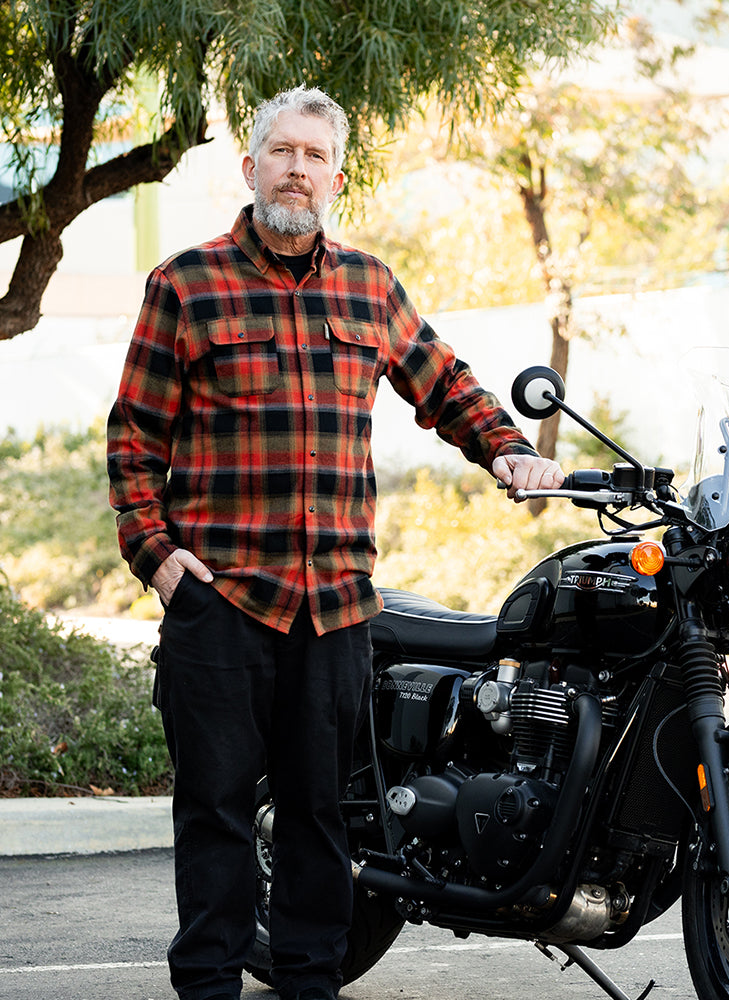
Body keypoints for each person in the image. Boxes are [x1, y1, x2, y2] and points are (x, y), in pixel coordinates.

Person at [107, 85, 563, 1000]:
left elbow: (444, 382)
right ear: (251, 167)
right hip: (222, 601)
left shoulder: (370, 286)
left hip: (336, 609)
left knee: (322, 815)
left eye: (315, 157)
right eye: (283, 152)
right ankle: (208, 986)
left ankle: (310, 984)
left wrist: (508, 448)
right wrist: (158, 560)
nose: (297, 170)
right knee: (217, 814)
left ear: (336, 179)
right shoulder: (185, 284)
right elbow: (133, 439)